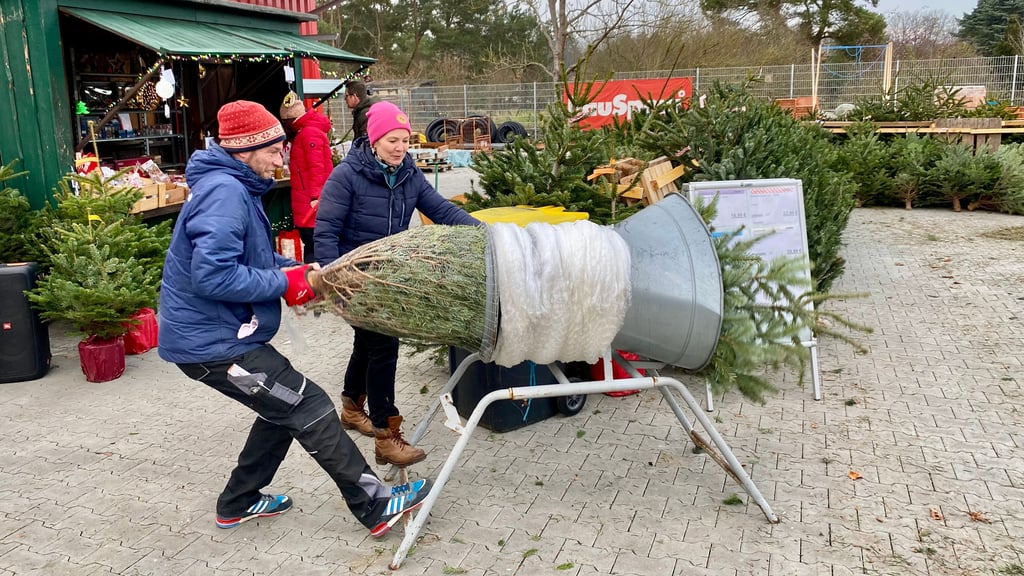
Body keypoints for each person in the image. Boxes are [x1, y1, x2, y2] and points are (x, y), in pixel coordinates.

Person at [158, 99, 430, 537]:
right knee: (307, 403)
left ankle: (238, 502)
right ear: (244, 150)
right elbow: (212, 276)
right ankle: (376, 505)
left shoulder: (236, 187)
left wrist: (300, 272)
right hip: (211, 345)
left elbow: (252, 261)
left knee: (280, 407)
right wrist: (285, 284)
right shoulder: (225, 193)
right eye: (272, 151)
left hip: (224, 336)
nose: (280, 160)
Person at [315, 101, 479, 467]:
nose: (400, 147)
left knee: (367, 344)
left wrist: (484, 233)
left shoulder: (408, 174)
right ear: (373, 140)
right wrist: (332, 281)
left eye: (405, 140)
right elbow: (325, 232)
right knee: (384, 346)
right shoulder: (346, 176)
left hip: (386, 276)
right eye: (392, 140)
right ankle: (385, 436)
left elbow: (442, 210)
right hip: (351, 277)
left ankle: (351, 407)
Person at [280, 91, 333, 264]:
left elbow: (317, 167)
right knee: (314, 246)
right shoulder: (309, 132)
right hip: (311, 201)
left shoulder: (307, 133)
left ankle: (313, 278)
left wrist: (314, 197)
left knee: (313, 247)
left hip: (310, 203)